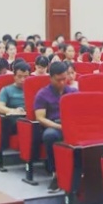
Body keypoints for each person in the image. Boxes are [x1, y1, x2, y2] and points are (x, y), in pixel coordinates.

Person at [35, 62, 78, 192]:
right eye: (58, 80)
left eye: (64, 79)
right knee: (49, 136)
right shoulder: (42, 94)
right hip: (54, 125)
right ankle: (56, 173)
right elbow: (40, 118)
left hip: (72, 125)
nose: (62, 82)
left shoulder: (73, 92)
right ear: (51, 77)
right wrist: (60, 127)